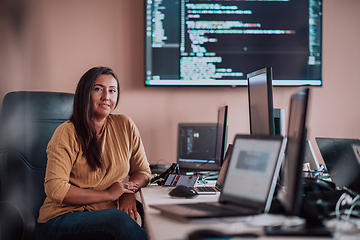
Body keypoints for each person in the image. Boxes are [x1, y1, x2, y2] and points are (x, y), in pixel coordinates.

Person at [35, 66, 151, 240]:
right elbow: (56, 189)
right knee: (117, 221)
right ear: (85, 94)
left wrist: (128, 191)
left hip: (105, 214)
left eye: (112, 91)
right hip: (61, 219)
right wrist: (109, 195)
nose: (106, 97)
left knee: (146, 215)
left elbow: (143, 172)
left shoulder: (125, 125)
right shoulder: (66, 133)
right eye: (98, 89)